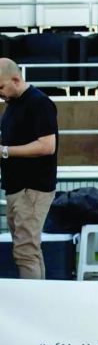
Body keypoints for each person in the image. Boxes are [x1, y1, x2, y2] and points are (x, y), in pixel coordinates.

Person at [0, 59, 57, 280]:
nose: (0, 93)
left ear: (16, 80)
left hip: (31, 187)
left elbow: (47, 146)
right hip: (17, 187)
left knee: (25, 251)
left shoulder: (38, 103)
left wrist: (5, 151)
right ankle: (39, 295)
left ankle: (32, 298)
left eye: (1, 87)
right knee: (28, 250)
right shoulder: (14, 104)